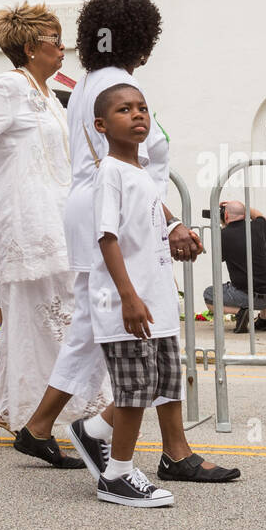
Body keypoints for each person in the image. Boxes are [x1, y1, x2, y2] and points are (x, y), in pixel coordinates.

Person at [16, 0, 237, 486]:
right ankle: (164, 451)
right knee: (142, 321)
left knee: (101, 325)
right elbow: (123, 168)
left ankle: (44, 424)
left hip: (101, 209)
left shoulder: (95, 78)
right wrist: (171, 221)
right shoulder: (117, 84)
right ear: (140, 35)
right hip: (117, 215)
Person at [0, 4, 93, 441]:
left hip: (55, 217)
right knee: (50, 315)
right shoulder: (8, 86)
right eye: (54, 40)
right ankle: (46, 419)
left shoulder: (48, 97)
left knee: (35, 319)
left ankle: (19, 412)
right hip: (27, 221)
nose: (62, 48)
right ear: (30, 48)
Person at [90, 85, 180, 507]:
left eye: (142, 108)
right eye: (125, 110)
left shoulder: (140, 172)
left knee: (155, 384)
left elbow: (148, 231)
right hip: (127, 305)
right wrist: (128, 297)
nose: (138, 115)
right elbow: (107, 238)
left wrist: (180, 231)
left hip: (156, 304)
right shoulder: (110, 171)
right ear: (102, 126)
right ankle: (118, 475)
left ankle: (93, 434)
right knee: (133, 392)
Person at [203, 201, 266, 333]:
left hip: (247, 296)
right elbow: (260, 216)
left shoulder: (223, 236)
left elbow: (219, 258)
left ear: (225, 215)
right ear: (245, 213)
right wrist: (242, 205)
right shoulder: (258, 226)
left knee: (209, 294)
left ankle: (240, 312)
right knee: (260, 274)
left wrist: (224, 227)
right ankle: (264, 320)